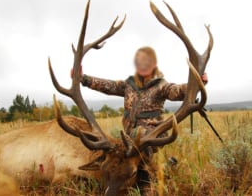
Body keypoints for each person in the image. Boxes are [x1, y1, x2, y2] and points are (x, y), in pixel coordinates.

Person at [71, 46, 208, 191]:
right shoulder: (129, 85)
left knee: (140, 136)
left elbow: (178, 91)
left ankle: (145, 183)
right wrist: (83, 78)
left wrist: (197, 84)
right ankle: (145, 172)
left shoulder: (161, 86)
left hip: (153, 134)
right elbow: (109, 86)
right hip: (130, 136)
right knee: (121, 150)